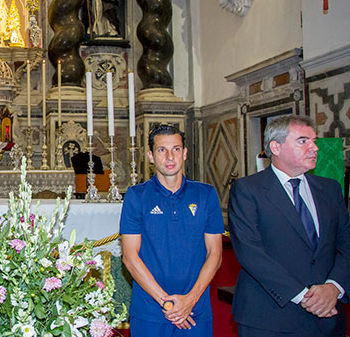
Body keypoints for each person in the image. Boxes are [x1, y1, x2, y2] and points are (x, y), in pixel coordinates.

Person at [228, 115, 350, 336]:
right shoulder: (248, 190)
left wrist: (334, 287)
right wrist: (304, 296)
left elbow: (346, 245)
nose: (314, 148)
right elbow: (250, 252)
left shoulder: (330, 189)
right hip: (271, 317)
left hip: (328, 315)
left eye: (314, 141)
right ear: (276, 147)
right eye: (303, 141)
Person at [120, 124, 224, 336]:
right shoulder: (136, 196)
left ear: (185, 153)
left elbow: (216, 254)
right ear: (150, 156)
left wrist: (189, 301)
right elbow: (130, 257)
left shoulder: (206, 194)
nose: (169, 157)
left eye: (176, 149)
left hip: (196, 309)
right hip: (151, 310)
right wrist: (168, 305)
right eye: (161, 150)